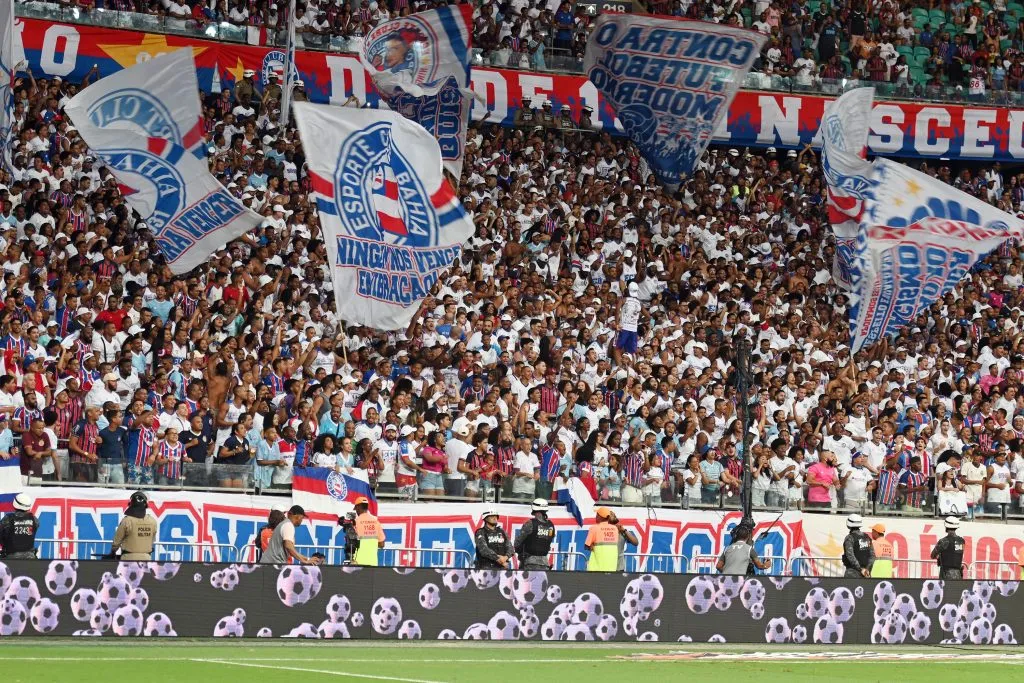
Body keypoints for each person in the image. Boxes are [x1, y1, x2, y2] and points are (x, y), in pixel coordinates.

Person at [110, 491, 158, 561]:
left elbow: (116, 542)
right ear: (146, 505)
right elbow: (152, 540)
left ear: (131, 504)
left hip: (128, 559)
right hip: (146, 559)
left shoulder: (127, 520)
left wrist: (113, 552)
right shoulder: (152, 521)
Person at [514, 498, 554, 569]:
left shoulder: (530, 523)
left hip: (529, 562)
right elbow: (549, 541)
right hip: (545, 563)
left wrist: (520, 550)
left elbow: (517, 543)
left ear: (534, 508)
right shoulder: (550, 525)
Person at [0, 493, 39, 558]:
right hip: (30, 559)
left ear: (15, 504)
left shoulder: (8, 519)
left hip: (10, 558)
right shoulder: (34, 520)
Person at [353, 496, 385, 566]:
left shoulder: (356, 522)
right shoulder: (376, 521)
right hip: (373, 563)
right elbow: (382, 544)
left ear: (358, 507)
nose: (356, 511)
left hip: (358, 562)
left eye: (356, 509)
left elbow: (351, 542)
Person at [841, 513, 874, 578]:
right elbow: (872, 556)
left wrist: (860, 569)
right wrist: (867, 569)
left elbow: (850, 556)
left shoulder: (850, 538)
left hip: (852, 573)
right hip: (866, 574)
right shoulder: (867, 537)